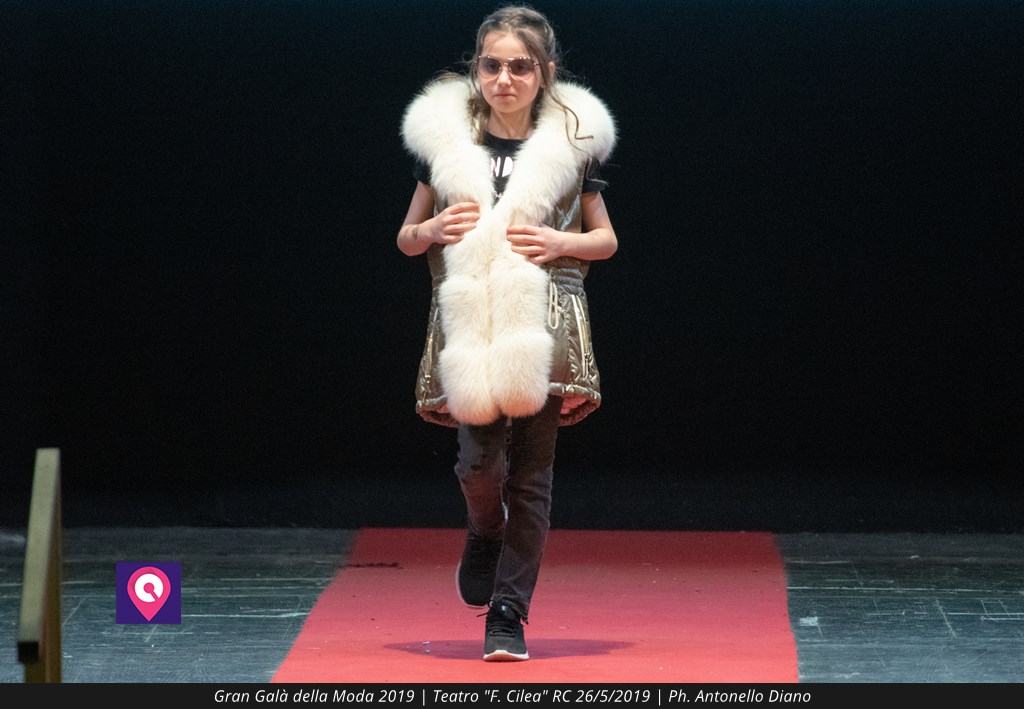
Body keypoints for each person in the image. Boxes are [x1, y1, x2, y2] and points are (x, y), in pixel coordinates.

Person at [396, 5, 617, 662]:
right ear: (477, 68)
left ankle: (508, 613)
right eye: (492, 65)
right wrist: (430, 230)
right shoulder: (449, 145)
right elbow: (406, 237)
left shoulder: (569, 145)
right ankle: (484, 529)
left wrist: (560, 240)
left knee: (533, 474)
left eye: (520, 66)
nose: (504, 79)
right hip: (474, 322)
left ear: (545, 71)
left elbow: (606, 239)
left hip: (542, 323)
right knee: (479, 464)